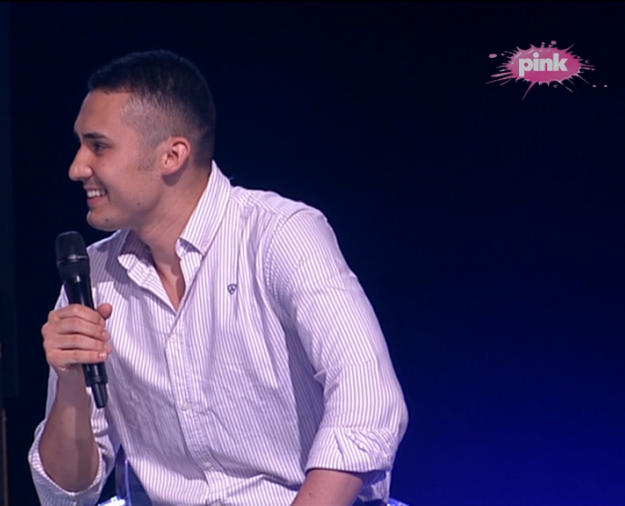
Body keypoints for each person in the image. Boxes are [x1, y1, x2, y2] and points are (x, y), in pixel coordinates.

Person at [29, 50, 408, 506]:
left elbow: (368, 401)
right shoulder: (92, 279)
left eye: (99, 146)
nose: (76, 168)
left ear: (172, 155)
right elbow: (67, 495)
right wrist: (71, 383)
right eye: (80, 145)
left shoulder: (279, 236)